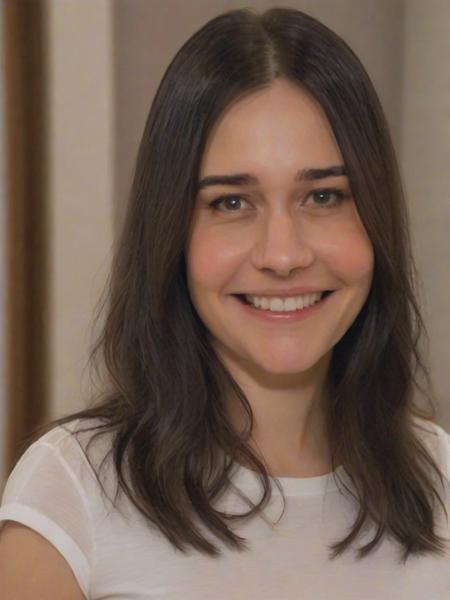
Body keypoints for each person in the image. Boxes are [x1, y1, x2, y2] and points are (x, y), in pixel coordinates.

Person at [1, 6, 449, 599]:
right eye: (231, 203)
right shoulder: (73, 495)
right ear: (172, 233)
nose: (283, 255)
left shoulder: (440, 479)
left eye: (323, 195)